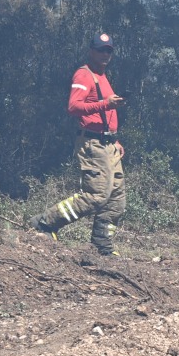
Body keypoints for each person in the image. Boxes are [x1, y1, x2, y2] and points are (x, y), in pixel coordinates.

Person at [34, 32, 126, 255]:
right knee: (95, 196)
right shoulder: (84, 75)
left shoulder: (103, 77)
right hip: (93, 145)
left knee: (117, 199)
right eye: (101, 50)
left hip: (109, 144)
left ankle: (101, 245)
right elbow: (74, 107)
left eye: (109, 51)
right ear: (91, 51)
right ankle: (45, 224)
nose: (105, 54)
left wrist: (115, 139)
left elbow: (104, 114)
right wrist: (105, 103)